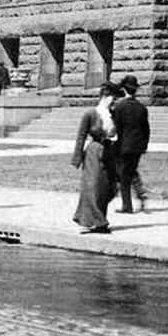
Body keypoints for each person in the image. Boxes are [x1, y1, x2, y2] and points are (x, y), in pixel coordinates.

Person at [71, 84, 120, 233]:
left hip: (109, 152)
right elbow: (81, 136)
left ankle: (95, 218)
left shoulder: (113, 114)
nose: (114, 101)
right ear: (105, 96)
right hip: (94, 153)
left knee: (108, 187)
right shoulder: (90, 114)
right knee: (93, 187)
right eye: (112, 98)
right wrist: (77, 159)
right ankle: (100, 223)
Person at [111, 74, 150, 214]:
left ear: (124, 90)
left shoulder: (120, 107)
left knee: (124, 176)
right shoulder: (141, 108)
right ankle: (141, 194)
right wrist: (144, 145)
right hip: (137, 147)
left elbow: (117, 128)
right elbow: (146, 129)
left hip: (124, 146)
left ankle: (127, 205)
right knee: (131, 171)